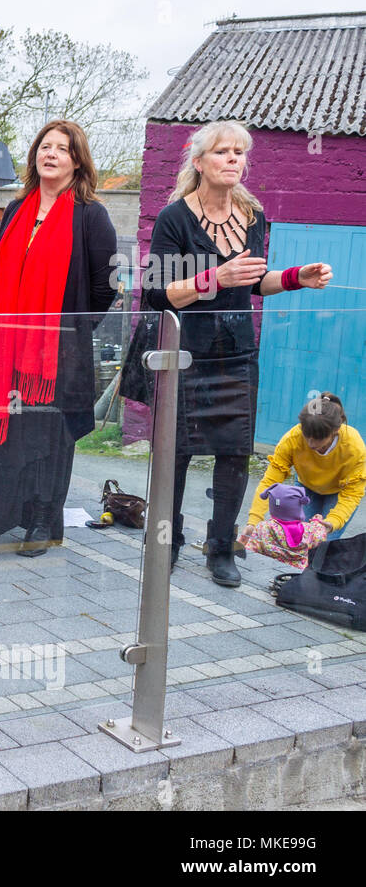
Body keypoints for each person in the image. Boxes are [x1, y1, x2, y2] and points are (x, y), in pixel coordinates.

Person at [142, 119, 332, 586]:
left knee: (233, 453)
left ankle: (221, 547)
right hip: (187, 353)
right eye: (222, 152)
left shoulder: (252, 215)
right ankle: (168, 541)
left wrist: (293, 278)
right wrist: (213, 279)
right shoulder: (175, 219)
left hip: (237, 352)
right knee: (177, 453)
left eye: (239, 152)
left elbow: (253, 282)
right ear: (200, 162)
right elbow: (157, 293)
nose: (233, 159)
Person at [0, 120, 119, 557]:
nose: (51, 153)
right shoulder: (16, 211)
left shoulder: (91, 215)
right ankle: (9, 513)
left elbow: (105, 286)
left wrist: (69, 334)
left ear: (77, 161)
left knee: (49, 438)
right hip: (8, 349)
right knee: (15, 432)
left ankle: (42, 521)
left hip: (57, 355)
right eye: (44, 146)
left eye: (63, 148)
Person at [244, 393, 364, 542]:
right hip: (306, 486)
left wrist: (333, 521)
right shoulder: (292, 439)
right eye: (307, 435)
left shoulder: (354, 447)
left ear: (336, 430)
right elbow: (269, 483)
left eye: (319, 438)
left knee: (324, 542)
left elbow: (352, 494)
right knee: (302, 540)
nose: (311, 443)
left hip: (338, 492)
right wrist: (254, 520)